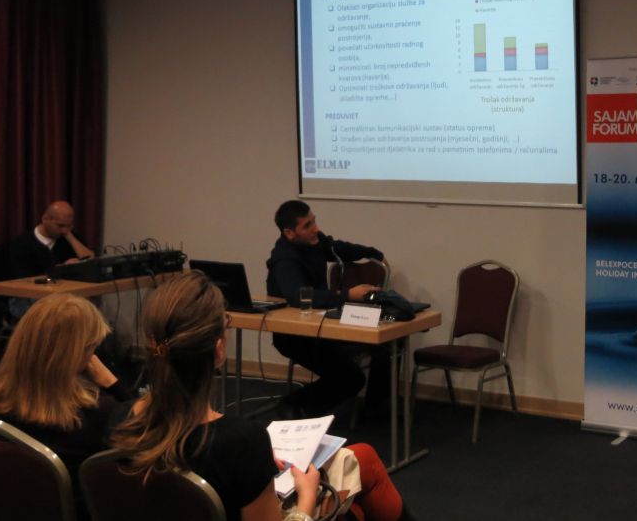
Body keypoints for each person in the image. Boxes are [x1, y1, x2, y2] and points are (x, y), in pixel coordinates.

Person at [111, 272, 413, 521]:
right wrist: (307, 498)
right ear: (219, 350)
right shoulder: (240, 442)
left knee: (359, 472)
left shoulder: (119, 422)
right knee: (357, 490)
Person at [0, 293, 134, 516]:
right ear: (76, 355)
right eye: (90, 348)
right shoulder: (101, 415)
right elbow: (148, 433)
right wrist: (114, 384)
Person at [266, 200, 388, 418]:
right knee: (351, 378)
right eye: (307, 225)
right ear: (289, 233)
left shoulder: (314, 241)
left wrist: (373, 253)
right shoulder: (285, 259)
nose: (316, 229)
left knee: (384, 343)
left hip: (323, 327)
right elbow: (298, 296)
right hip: (296, 336)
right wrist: (347, 295)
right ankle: (293, 408)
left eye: (314, 221)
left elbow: (336, 248)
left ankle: (375, 413)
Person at [7, 201, 95, 318]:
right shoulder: (23, 243)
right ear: (45, 219)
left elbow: (90, 259)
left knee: (83, 309)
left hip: (63, 294)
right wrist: (62, 270)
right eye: (60, 226)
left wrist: (70, 237)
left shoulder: (67, 236)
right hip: (29, 296)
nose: (64, 230)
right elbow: (24, 280)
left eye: (69, 226)